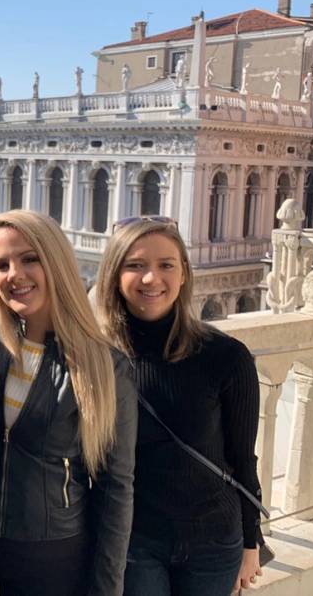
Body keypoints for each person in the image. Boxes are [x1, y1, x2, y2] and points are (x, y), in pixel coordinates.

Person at [95, 218, 262, 595]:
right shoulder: (99, 360)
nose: (151, 278)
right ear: (114, 276)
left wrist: (252, 542)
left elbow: (242, 459)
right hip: (136, 542)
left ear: (183, 274)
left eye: (166, 265)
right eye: (135, 265)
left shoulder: (225, 356)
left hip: (214, 541)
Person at [0, 211, 137, 596]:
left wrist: (106, 589)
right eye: (1, 265)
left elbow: (116, 490)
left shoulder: (104, 366)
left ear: (56, 263)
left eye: (29, 258)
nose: (14, 274)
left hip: (54, 559)